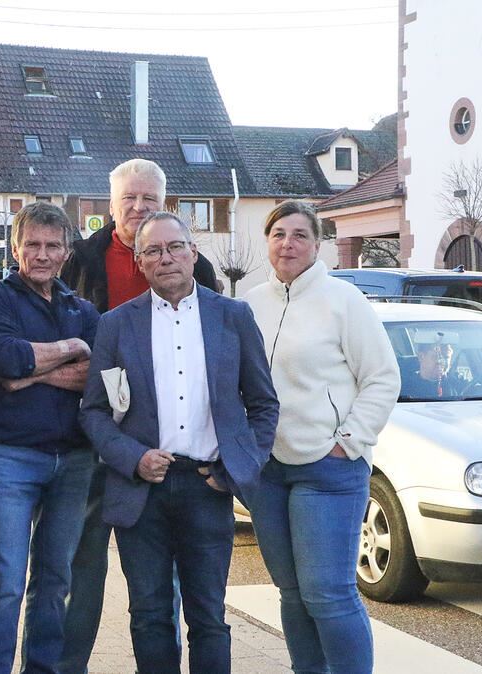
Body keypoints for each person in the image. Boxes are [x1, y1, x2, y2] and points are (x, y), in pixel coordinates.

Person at [79, 211, 278, 673]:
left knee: (208, 618)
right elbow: (93, 411)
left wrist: (236, 470)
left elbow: (264, 405)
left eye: (174, 247)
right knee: (148, 616)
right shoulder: (115, 325)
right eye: (152, 250)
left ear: (193, 253)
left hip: (206, 487)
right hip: (141, 491)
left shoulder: (232, 316)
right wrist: (133, 457)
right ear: (139, 262)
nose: (165, 257)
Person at [59, 158, 218, 673]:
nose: (138, 207)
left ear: (164, 203)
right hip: (93, 437)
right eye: (129, 198)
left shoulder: (199, 268)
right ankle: (69, 666)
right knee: (81, 568)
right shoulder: (80, 260)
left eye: (148, 198)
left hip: (163, 451)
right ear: (111, 205)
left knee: (158, 584)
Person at [244, 200, 400, 674]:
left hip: (327, 468)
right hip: (267, 471)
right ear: (267, 241)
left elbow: (382, 377)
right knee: (292, 594)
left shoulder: (343, 301)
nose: (287, 243)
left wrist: (347, 440)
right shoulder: (250, 303)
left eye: (299, 235)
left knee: (327, 594)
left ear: (317, 244)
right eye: (278, 234)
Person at [0, 201, 100, 674]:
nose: (42, 255)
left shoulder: (81, 308)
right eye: (32, 246)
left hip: (75, 458)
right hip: (10, 457)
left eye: (52, 246)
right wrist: (69, 350)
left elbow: (97, 377)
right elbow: (5, 361)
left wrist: (31, 373)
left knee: (54, 578)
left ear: (66, 252)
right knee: (4, 578)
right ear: (16, 248)